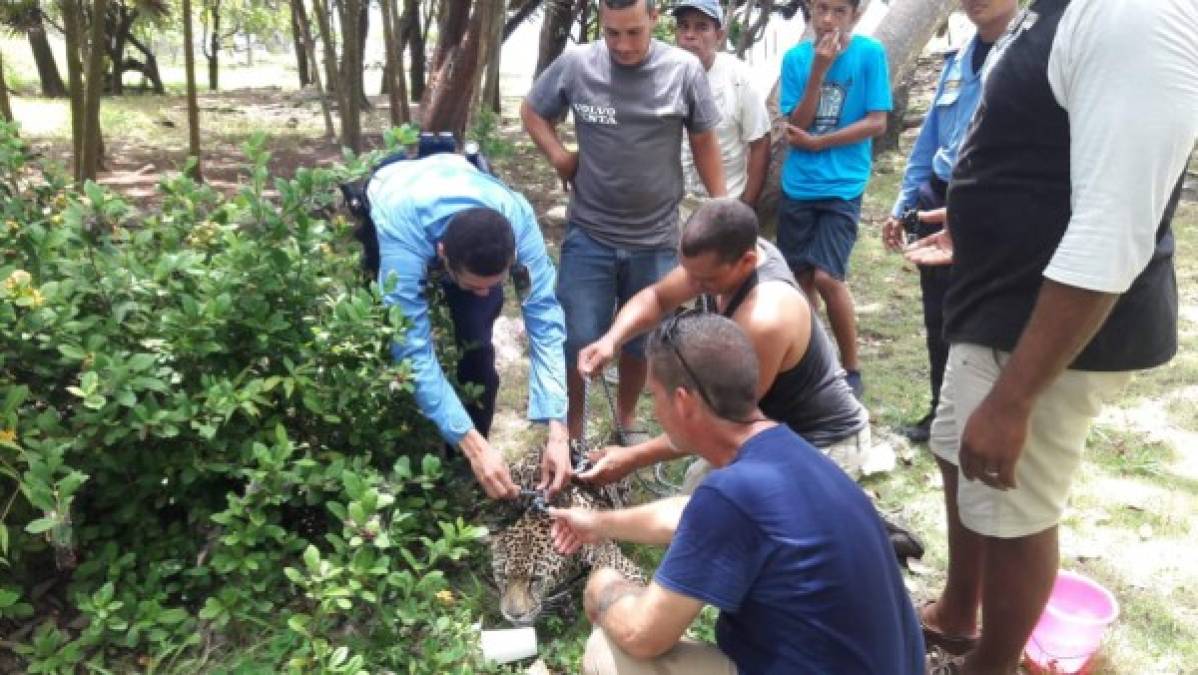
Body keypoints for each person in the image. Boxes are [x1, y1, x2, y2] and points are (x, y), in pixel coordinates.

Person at [899, 0, 1198, 671]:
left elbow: (1116, 223)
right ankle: (957, 613)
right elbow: (1045, 154)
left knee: (1014, 506)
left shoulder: (1136, 17)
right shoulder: (1059, 10)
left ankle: (990, 663)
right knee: (955, 449)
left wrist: (1014, 398)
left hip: (1046, 335)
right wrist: (974, 220)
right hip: (996, 300)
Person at [548, 312, 925, 674]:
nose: (654, 412)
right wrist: (598, 523)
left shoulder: (731, 494)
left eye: (654, 397)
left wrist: (604, 587)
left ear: (683, 402)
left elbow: (643, 636)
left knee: (610, 655)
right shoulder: (790, 454)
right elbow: (689, 513)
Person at [521, 0, 727, 444]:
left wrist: (721, 205)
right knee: (576, 336)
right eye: (613, 33)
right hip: (589, 234)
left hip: (655, 239)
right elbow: (533, 111)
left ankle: (626, 422)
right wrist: (560, 156)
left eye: (633, 32)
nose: (623, 45)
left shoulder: (683, 71)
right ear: (601, 22)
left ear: (654, 17)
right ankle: (572, 432)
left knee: (641, 342)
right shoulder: (577, 64)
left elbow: (705, 141)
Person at [576, 198, 871, 484]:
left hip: (822, 442)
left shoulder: (764, 317)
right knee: (702, 492)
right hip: (766, 427)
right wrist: (611, 341)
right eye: (688, 273)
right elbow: (657, 297)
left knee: (712, 507)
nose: (692, 285)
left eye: (704, 281)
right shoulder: (719, 258)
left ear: (748, 261)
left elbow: (718, 420)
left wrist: (631, 458)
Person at [362, 152, 571, 501]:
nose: (486, 291)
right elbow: (411, 349)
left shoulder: (517, 218)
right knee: (394, 351)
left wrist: (558, 428)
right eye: (476, 284)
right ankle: (439, 461)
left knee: (477, 350)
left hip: (464, 187)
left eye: (496, 282)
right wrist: (473, 446)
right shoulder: (402, 229)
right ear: (442, 255)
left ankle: (467, 473)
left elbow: (545, 320)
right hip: (399, 198)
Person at [881, 0, 1018, 444]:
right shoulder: (958, 59)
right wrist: (903, 204)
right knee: (939, 316)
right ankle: (942, 412)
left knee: (986, 320)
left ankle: (986, 417)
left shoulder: (1028, 54)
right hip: (937, 196)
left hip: (993, 204)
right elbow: (930, 139)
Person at [778, 0, 892, 398]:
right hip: (798, 186)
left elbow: (877, 121)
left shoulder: (869, 54)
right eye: (821, 9)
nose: (828, 20)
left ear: (855, 15)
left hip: (843, 186)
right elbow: (797, 124)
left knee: (829, 276)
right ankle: (813, 363)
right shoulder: (795, 59)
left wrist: (822, 142)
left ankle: (851, 366)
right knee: (801, 279)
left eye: (839, 11)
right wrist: (818, 72)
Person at [672, 0, 771, 207]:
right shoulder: (662, 76)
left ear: (719, 35)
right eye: (684, 25)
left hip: (723, 205)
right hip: (672, 205)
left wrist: (745, 206)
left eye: (702, 27)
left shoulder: (739, 78)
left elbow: (760, 143)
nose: (690, 35)